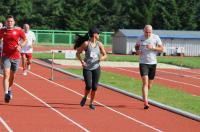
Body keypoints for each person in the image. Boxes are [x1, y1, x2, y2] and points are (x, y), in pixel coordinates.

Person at [74, 27, 107, 110]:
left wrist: (100, 59)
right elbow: (78, 53)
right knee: (88, 86)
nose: (99, 35)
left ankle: (91, 103)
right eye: (98, 33)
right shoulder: (86, 44)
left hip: (96, 67)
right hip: (87, 68)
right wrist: (82, 61)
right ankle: (85, 96)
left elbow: (105, 55)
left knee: (95, 87)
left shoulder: (99, 44)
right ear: (94, 34)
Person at [135, 25, 164, 109]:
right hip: (143, 63)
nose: (147, 34)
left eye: (149, 32)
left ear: (152, 31)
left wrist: (153, 47)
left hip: (153, 63)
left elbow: (162, 49)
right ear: (143, 31)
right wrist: (137, 51)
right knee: (145, 83)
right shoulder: (140, 38)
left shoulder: (156, 37)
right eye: (146, 32)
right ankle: (146, 102)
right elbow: (136, 46)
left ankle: (144, 95)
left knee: (149, 85)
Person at [0, 15, 27, 103]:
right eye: (8, 21)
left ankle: (9, 89)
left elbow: (24, 39)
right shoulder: (2, 31)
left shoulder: (18, 31)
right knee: (6, 75)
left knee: (12, 77)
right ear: (6, 22)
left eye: (11, 21)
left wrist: (21, 45)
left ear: (14, 22)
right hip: (6, 56)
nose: (10, 23)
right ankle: (6, 93)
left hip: (16, 56)